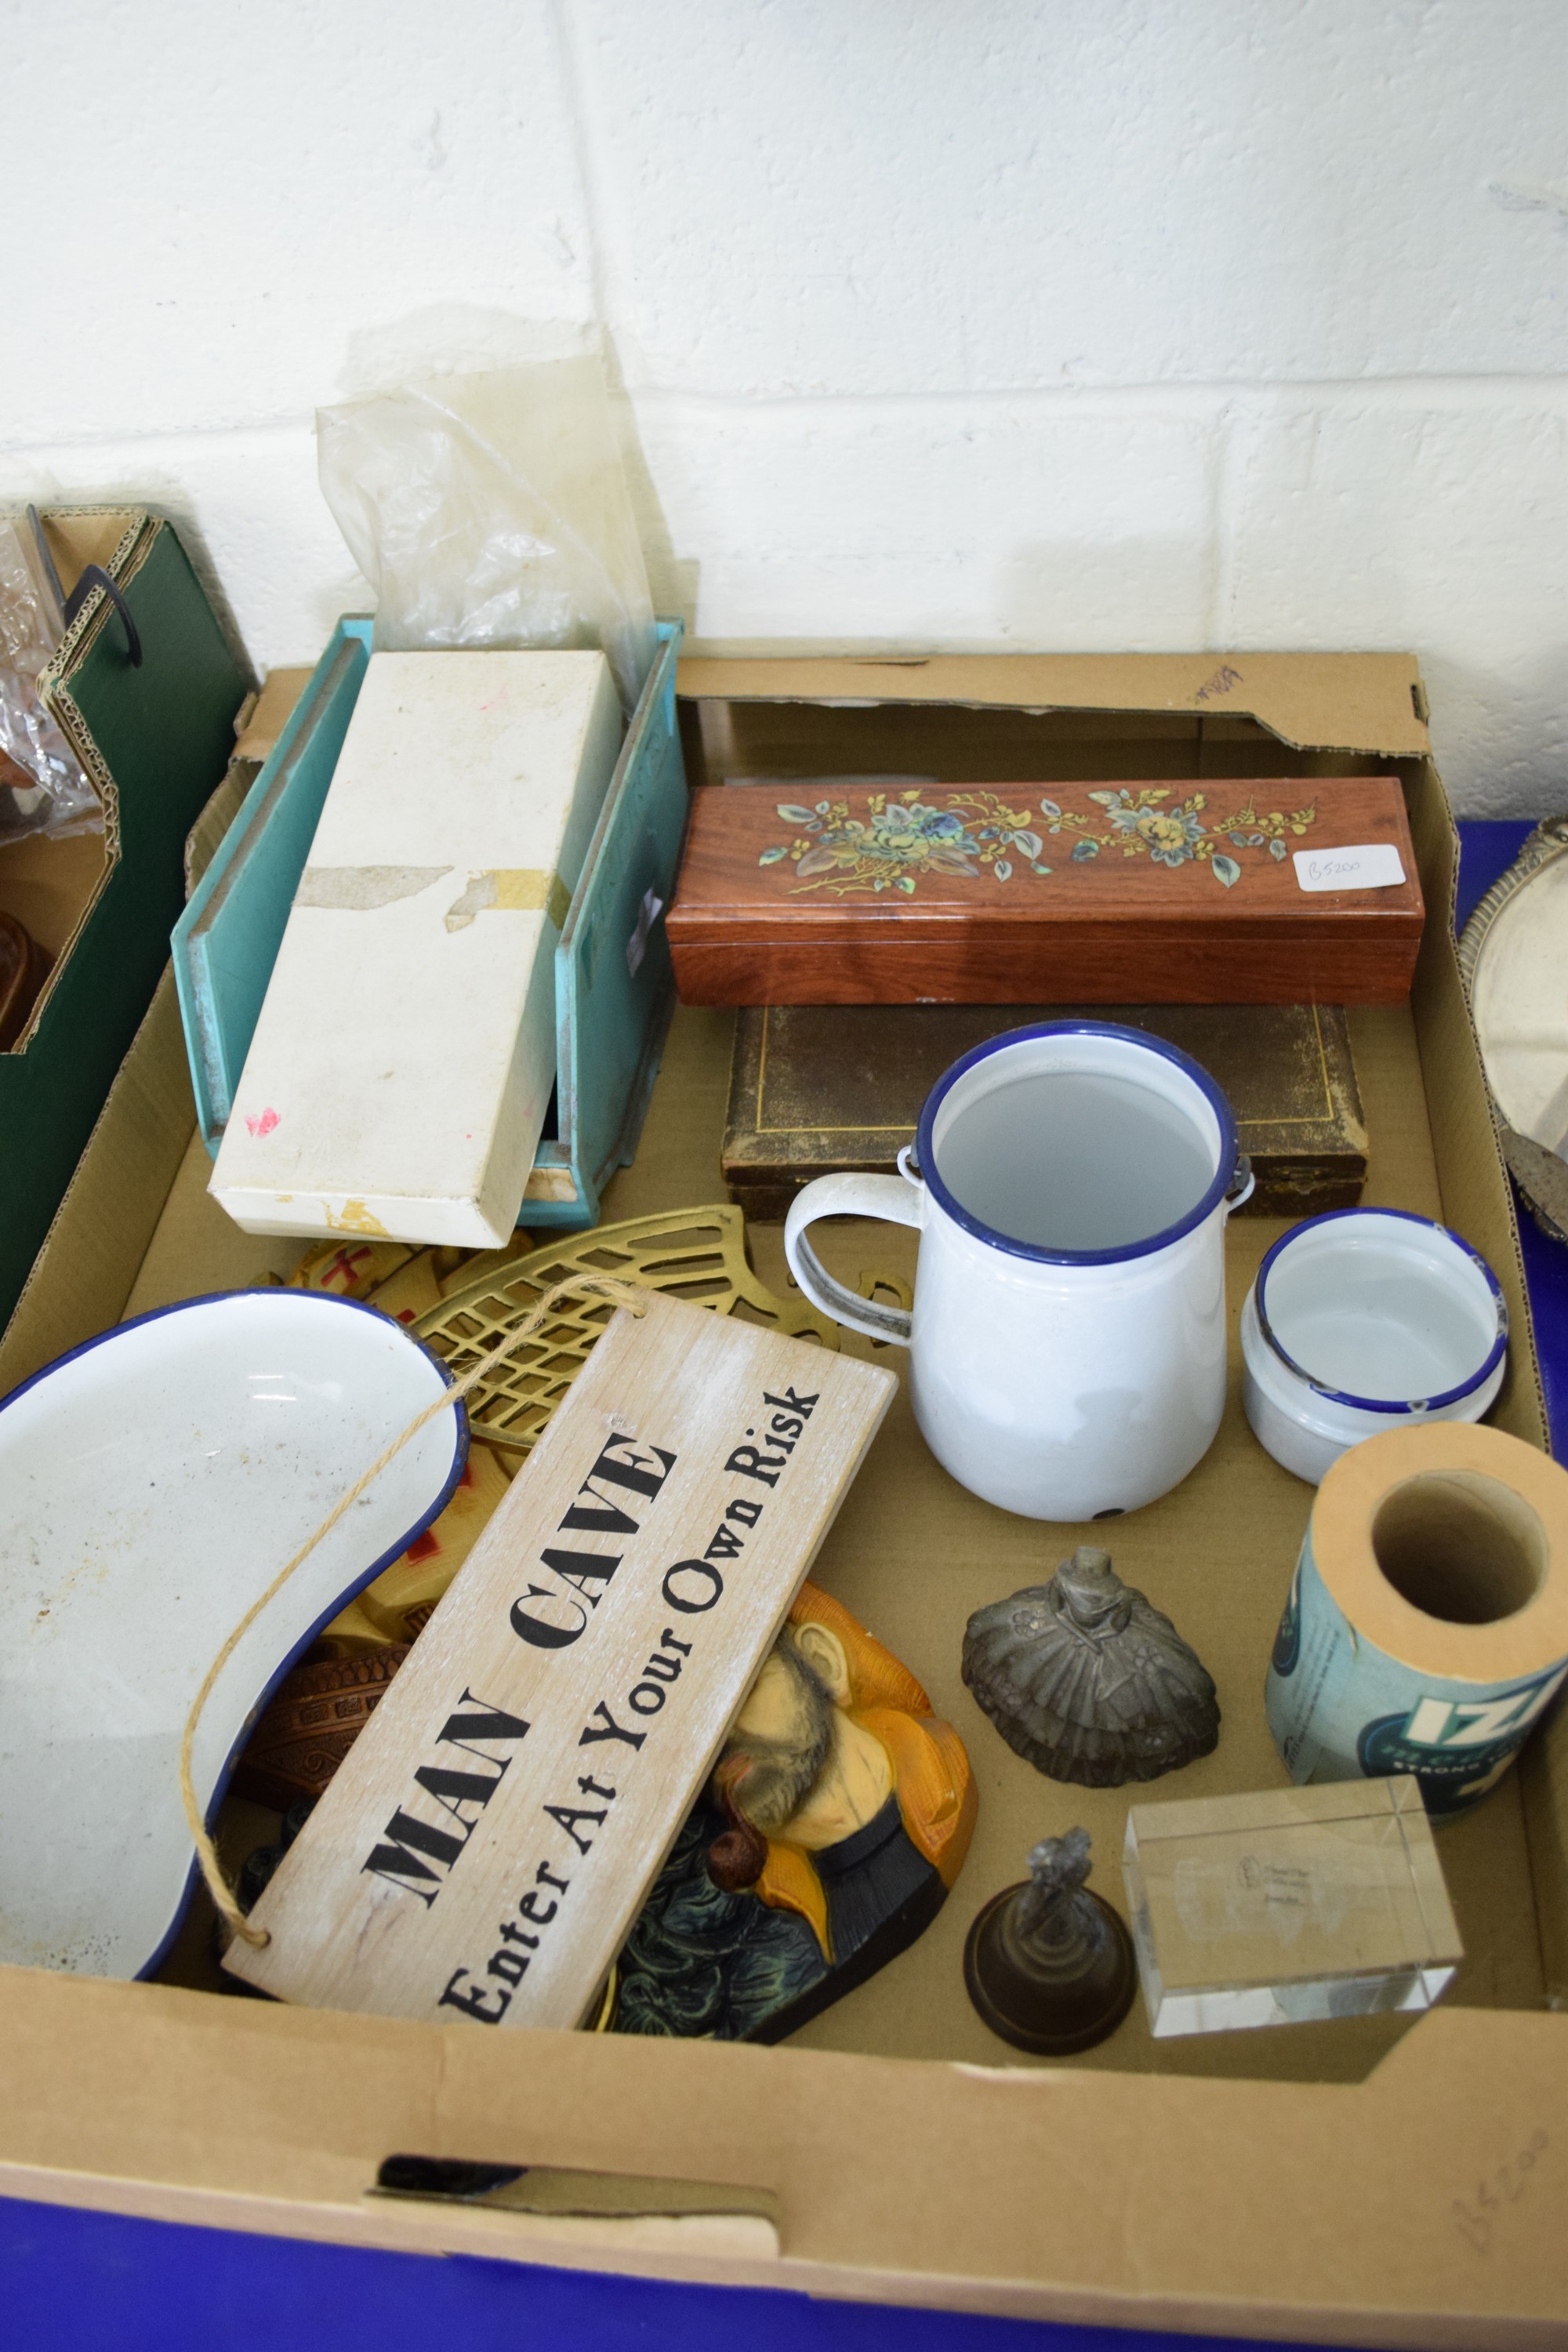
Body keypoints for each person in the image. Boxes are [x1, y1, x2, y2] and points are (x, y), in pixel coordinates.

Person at [615, 1582, 976, 2042]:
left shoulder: (936, 1796)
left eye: (734, 1689)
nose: (711, 1740)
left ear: (822, 1664)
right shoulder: (757, 1939)